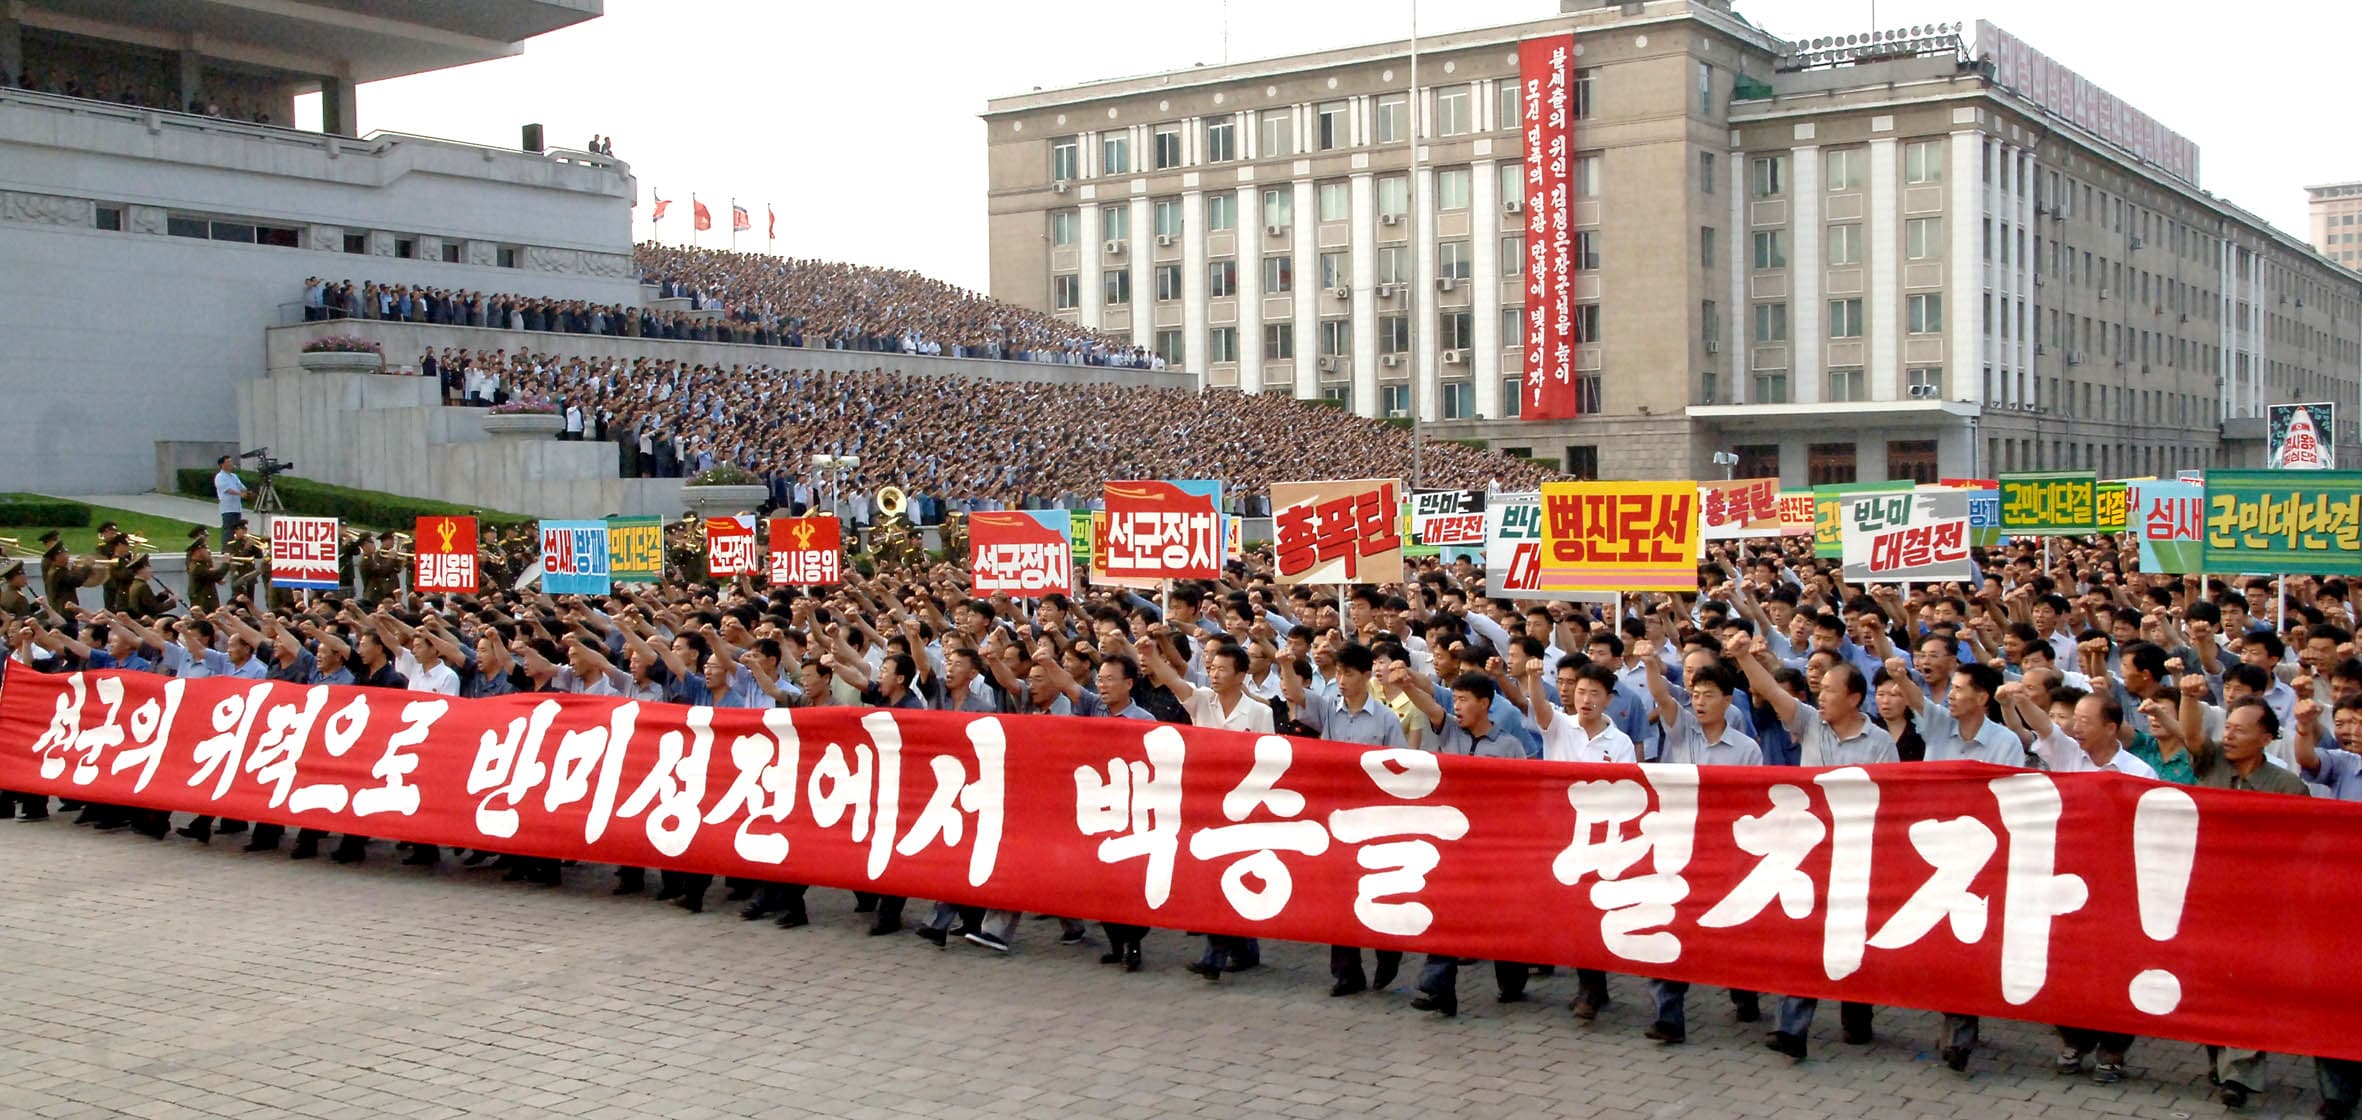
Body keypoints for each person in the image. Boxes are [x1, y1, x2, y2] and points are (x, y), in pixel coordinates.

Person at [1728, 630, 1896, 1061]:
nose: (1820, 697)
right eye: (1818, 691)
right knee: (1801, 936)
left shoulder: (1880, 744)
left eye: (1830, 692)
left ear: (1855, 698)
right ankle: (1791, 1027)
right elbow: (1767, 689)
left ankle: (1857, 1015)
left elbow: (1891, 802)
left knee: (1850, 937)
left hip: (1856, 851)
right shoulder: (1808, 722)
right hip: (1806, 850)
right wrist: (1746, 657)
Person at [1634, 640, 1762, 1042]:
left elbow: (1752, 805)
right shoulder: (1680, 728)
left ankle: (1745, 990)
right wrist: (1651, 664)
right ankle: (1668, 1015)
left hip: (1724, 850)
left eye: (1709, 695)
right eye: (1695, 694)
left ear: (1728, 701)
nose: (1700, 702)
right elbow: (1658, 693)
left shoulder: (1747, 750)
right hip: (1676, 844)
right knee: (1668, 925)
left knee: (1731, 930)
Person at [1143, 636, 1273, 980]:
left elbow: (1269, 761)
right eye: (1211, 668)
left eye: (1222, 670)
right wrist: (1149, 655)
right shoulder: (1202, 702)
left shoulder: (1260, 713)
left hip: (1243, 807)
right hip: (1205, 804)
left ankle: (1229, 951)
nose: (1213, 675)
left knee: (1234, 875)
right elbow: (1173, 681)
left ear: (1240, 675)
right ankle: (1228, 952)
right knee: (1212, 877)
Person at [1284, 642, 1409, 997]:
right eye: (1338, 673)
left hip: (1375, 815)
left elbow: (1400, 767)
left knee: (1377, 889)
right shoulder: (1328, 711)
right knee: (1339, 895)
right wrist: (1285, 664)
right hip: (1337, 816)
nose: (1341, 680)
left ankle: (1388, 952)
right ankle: (1346, 972)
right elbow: (1297, 695)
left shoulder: (1386, 719)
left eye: (1349, 674)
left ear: (1367, 676)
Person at [213, 455, 249, 533]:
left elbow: (242, 487)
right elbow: (228, 490)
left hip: (237, 508)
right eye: (228, 462)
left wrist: (245, 492)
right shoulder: (220, 477)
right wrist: (240, 494)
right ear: (222, 465)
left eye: (231, 462)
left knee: (237, 530)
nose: (231, 464)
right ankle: (226, 544)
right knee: (228, 530)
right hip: (227, 509)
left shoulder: (234, 476)